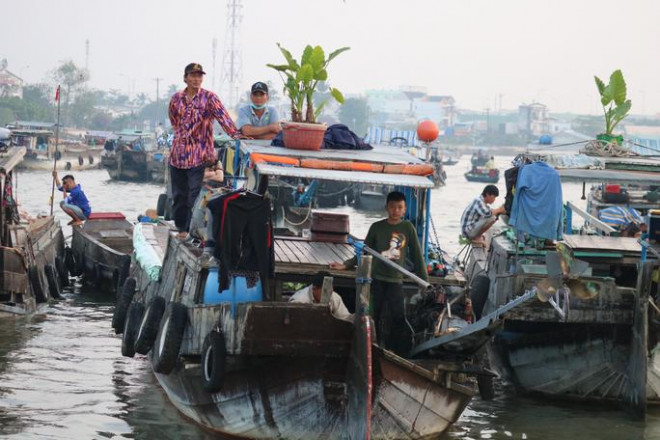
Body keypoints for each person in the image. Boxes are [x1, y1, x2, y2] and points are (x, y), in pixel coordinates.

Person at [329, 191, 427, 356]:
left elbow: (417, 255)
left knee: (398, 317)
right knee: (374, 315)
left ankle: (396, 352)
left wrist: (424, 281)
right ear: (386, 207)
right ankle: (372, 348)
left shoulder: (408, 228)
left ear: (404, 210)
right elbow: (364, 251)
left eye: (400, 207)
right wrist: (346, 265)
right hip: (377, 278)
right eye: (393, 207)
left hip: (396, 280)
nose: (396, 211)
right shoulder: (377, 227)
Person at [169, 62, 241, 239]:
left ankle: (189, 229)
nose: (196, 79)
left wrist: (235, 134)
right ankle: (181, 227)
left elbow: (223, 117)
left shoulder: (209, 98)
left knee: (193, 194)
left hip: (199, 155)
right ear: (185, 77)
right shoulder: (176, 99)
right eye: (192, 75)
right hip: (178, 155)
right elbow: (174, 121)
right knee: (178, 195)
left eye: (199, 76)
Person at [289, 273, 353, 322]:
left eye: (331, 289)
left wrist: (356, 318)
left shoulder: (334, 297)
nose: (329, 293)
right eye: (325, 291)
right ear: (314, 288)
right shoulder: (299, 300)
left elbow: (345, 318)